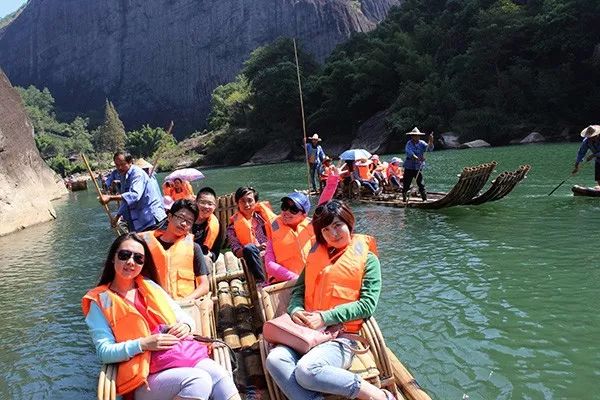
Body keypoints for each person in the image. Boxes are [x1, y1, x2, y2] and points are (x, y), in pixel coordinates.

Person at [82, 233, 239, 400]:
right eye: (124, 255)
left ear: (143, 264)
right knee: (198, 381)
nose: (130, 262)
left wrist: (185, 327)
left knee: (221, 375)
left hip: (175, 357)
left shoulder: (149, 286)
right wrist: (144, 344)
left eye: (138, 258)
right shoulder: (98, 301)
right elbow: (104, 352)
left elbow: (185, 318)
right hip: (143, 376)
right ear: (113, 258)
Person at [265, 200, 394, 400]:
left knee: (307, 371)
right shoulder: (316, 256)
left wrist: (325, 317)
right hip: (305, 334)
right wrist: (296, 310)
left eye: (337, 225)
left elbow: (368, 304)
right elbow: (299, 291)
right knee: (274, 359)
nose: (333, 234)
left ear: (349, 223)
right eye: (325, 229)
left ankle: (378, 396)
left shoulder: (368, 260)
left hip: (342, 338)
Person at [140, 200, 210, 300]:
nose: (184, 223)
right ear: (169, 217)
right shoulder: (144, 245)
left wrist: (186, 301)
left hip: (184, 305)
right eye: (180, 217)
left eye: (189, 222)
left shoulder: (194, 248)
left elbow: (204, 285)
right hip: (154, 306)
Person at [99, 152, 167, 232]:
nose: (119, 167)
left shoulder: (137, 174)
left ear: (130, 162)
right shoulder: (123, 174)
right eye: (117, 165)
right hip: (139, 221)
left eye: (122, 164)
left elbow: (134, 195)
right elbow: (127, 200)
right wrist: (117, 217)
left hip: (151, 219)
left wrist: (110, 198)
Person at [226, 187, 276, 284]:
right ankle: (262, 282)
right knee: (249, 248)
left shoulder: (263, 218)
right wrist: (256, 248)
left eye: (250, 201)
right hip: (254, 259)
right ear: (237, 204)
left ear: (256, 202)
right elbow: (237, 252)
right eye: (242, 201)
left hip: (272, 253)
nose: (247, 205)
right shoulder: (232, 228)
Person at [264, 192, 314, 284]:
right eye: (284, 206)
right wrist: (295, 278)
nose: (287, 211)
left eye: (294, 209)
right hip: (284, 283)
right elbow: (269, 265)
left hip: (310, 280)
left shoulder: (312, 229)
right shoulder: (274, 230)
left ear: (304, 215)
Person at [402, 127, 434, 202]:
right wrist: (416, 158)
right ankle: (404, 197)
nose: (416, 137)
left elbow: (429, 149)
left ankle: (424, 199)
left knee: (421, 183)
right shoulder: (409, 143)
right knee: (406, 184)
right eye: (415, 135)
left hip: (418, 167)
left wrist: (431, 140)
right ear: (412, 136)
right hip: (409, 167)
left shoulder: (422, 143)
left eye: (417, 135)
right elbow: (409, 152)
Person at [192, 187, 223, 262]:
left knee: (205, 259)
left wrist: (210, 255)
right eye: (202, 202)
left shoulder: (217, 225)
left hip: (201, 261)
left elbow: (215, 253)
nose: (206, 206)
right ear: (196, 202)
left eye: (210, 204)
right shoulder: (186, 219)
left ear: (214, 207)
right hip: (182, 255)